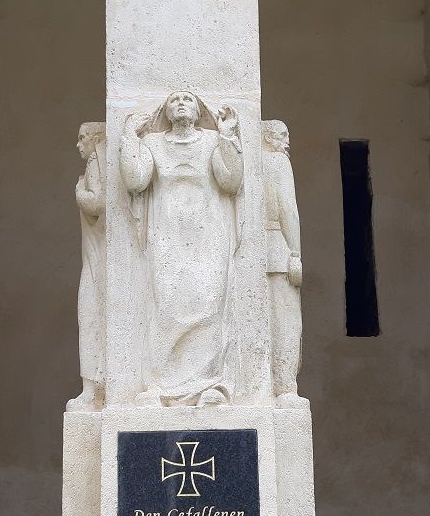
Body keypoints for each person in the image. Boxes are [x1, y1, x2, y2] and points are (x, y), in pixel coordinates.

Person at [120, 89, 243, 405]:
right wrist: (129, 137)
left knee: (210, 305)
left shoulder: (213, 142)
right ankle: (163, 387)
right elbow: (135, 180)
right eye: (174, 100)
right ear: (166, 111)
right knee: (167, 307)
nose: (181, 103)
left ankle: (209, 385)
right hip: (168, 237)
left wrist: (228, 136)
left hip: (209, 237)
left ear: (199, 109)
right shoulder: (153, 144)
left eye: (187, 99)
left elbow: (231, 181)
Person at [262, 120, 305, 404]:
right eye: (281, 135)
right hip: (277, 248)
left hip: (244, 253)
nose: (286, 141)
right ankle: (285, 388)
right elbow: (287, 208)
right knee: (285, 322)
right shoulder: (275, 161)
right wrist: (295, 252)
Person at [67, 121, 105, 409]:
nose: (79, 145)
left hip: (99, 261)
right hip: (96, 256)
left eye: (82, 139)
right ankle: (92, 388)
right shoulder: (97, 163)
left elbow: (97, 202)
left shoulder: (95, 163)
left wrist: (79, 191)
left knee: (91, 312)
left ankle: (93, 390)